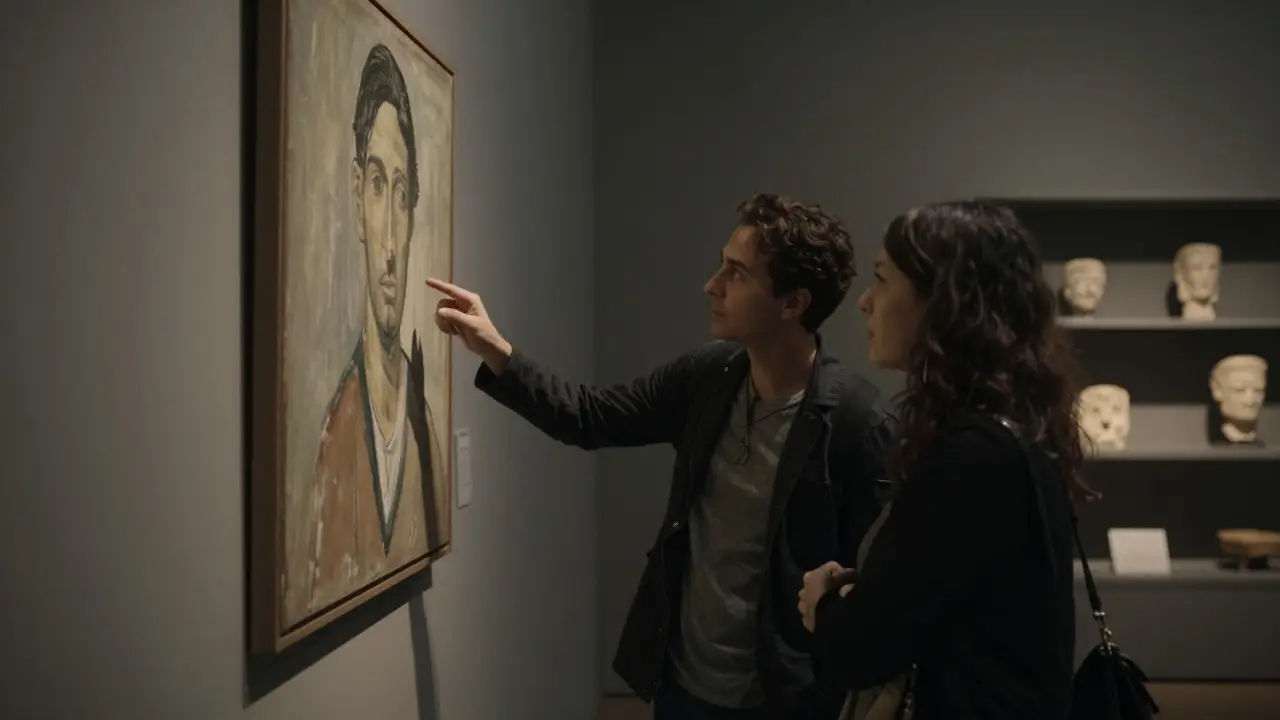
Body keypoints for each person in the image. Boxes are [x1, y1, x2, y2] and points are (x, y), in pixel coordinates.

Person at [428, 193, 896, 719]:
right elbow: (590, 417)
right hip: (682, 685)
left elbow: (875, 591)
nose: (712, 285)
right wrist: (495, 348)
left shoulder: (858, 423)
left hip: (784, 698)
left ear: (792, 304)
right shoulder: (708, 378)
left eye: (736, 273)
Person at [797, 201, 1090, 720]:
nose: (865, 302)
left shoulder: (974, 456)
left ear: (944, 302)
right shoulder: (1009, 432)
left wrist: (821, 604)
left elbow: (861, 651)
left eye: (883, 280)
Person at [306, 43, 448, 616]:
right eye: (374, 183)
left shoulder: (427, 436)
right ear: (353, 195)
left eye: (400, 193)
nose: (390, 241)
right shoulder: (334, 445)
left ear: (414, 210)